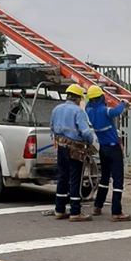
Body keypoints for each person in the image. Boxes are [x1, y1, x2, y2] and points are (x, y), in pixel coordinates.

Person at [50, 83, 96, 221]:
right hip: (75, 150)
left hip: (61, 147)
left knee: (62, 177)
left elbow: (52, 129)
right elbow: (85, 132)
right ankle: (75, 212)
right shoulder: (78, 111)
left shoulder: (57, 109)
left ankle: (59, 209)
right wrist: (90, 142)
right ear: (77, 98)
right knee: (75, 179)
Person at [84, 84, 131, 221]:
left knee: (104, 178)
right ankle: (117, 212)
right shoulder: (105, 111)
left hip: (103, 149)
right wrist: (123, 103)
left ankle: (98, 206)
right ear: (100, 98)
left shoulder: (89, 111)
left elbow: (89, 103)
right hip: (113, 149)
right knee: (118, 180)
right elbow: (116, 111)